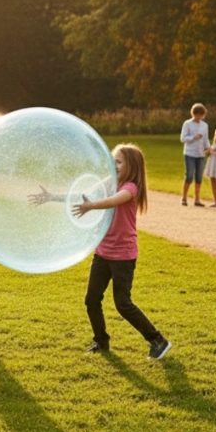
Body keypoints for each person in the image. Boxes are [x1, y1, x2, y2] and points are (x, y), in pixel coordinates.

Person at [73, 144, 171, 360]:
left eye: (119, 161)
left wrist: (92, 206)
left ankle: (158, 340)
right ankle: (101, 341)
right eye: (113, 160)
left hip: (123, 256)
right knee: (91, 299)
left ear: (131, 166)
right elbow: (81, 195)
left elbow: (113, 201)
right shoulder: (110, 183)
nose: (114, 164)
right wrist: (50, 196)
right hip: (103, 251)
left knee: (123, 303)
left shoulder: (131, 188)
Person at [180, 103, 209, 207]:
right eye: (197, 114)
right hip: (190, 153)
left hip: (200, 153)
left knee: (199, 177)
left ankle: (197, 198)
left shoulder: (204, 125)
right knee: (189, 176)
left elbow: (206, 139)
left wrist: (208, 148)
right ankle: (184, 197)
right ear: (193, 114)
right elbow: (183, 138)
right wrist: (193, 137)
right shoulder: (187, 124)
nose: (198, 117)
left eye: (200, 115)